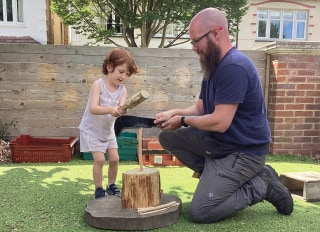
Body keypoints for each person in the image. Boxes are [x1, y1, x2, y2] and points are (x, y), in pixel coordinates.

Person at [154, 8, 293, 223]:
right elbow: (200, 109)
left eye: (196, 41)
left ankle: (261, 184)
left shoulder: (233, 66)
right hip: (221, 143)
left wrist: (182, 120)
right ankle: (216, 176)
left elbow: (220, 121)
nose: (193, 48)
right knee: (167, 137)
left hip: (244, 152)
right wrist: (175, 112)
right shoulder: (213, 66)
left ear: (217, 32)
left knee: (201, 211)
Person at [79, 48, 138, 199]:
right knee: (99, 159)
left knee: (115, 159)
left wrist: (123, 110)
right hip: (92, 129)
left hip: (107, 130)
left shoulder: (122, 90)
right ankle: (98, 189)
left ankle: (111, 185)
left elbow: (121, 108)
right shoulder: (98, 85)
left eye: (127, 74)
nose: (124, 76)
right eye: (121, 71)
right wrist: (110, 109)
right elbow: (93, 108)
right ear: (109, 67)